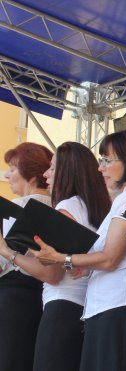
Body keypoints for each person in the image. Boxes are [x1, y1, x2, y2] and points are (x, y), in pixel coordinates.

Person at [32, 129, 126, 371]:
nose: (100, 168)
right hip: (111, 303)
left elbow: (111, 258)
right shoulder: (125, 198)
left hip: (123, 302)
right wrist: (82, 264)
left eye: (106, 161)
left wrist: (61, 257)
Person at [0, 142, 111, 371]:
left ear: (66, 172)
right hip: (84, 307)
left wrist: (7, 252)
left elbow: (51, 273)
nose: (46, 174)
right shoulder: (98, 207)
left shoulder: (66, 207)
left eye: (52, 167)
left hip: (62, 306)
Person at [0, 142, 52, 371]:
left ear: (31, 175)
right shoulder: (59, 205)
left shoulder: (17, 207)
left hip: (13, 295)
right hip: (45, 296)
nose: (8, 175)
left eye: (13, 169)